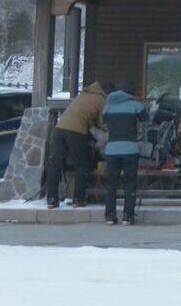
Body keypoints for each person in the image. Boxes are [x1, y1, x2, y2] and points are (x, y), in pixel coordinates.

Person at [46, 81, 106, 209]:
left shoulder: (83, 94)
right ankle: (78, 199)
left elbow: (81, 113)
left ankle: (51, 199)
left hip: (59, 129)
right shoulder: (101, 99)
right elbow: (101, 122)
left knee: (55, 164)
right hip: (77, 131)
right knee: (81, 163)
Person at [101, 81, 148, 225]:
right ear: (130, 94)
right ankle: (128, 215)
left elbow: (105, 123)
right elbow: (146, 120)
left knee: (111, 184)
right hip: (130, 149)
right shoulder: (135, 105)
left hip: (112, 149)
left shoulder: (107, 106)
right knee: (130, 182)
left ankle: (110, 215)